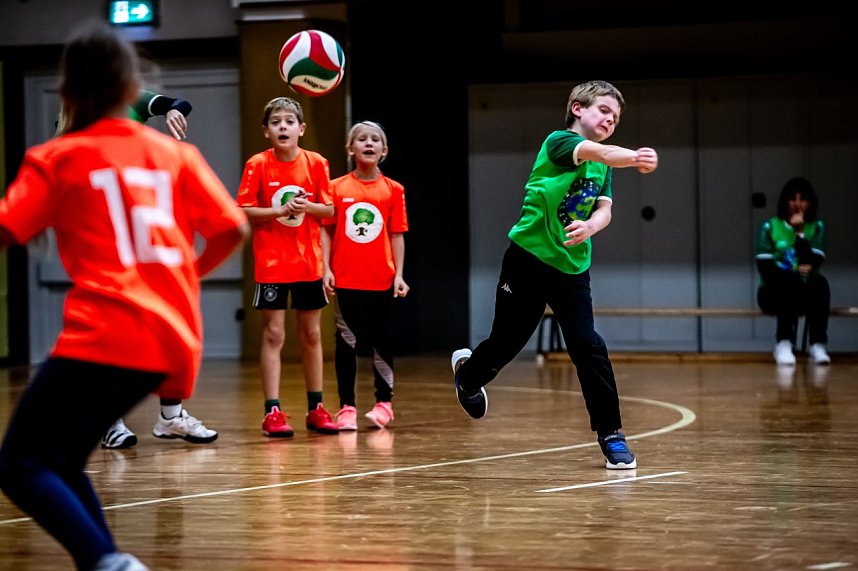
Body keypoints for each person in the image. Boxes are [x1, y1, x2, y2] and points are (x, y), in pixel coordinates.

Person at [0, 20, 248, 571]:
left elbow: (7, 228)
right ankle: (104, 561)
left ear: (67, 92)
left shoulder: (58, 156)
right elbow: (232, 227)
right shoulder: (174, 155)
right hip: (174, 338)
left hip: (106, 332)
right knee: (60, 460)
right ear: (134, 89)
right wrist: (190, 273)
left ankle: (109, 563)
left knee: (18, 462)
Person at [451, 80, 658, 470]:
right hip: (527, 260)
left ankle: (611, 434)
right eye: (603, 111)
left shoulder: (604, 164)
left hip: (572, 267)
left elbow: (604, 208)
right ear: (578, 109)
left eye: (615, 118)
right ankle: (469, 375)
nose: (610, 120)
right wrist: (633, 157)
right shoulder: (560, 142)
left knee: (587, 344)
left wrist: (592, 227)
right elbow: (597, 150)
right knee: (507, 342)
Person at [96, 90, 217, 450]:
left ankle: (170, 417)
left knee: (168, 331)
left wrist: (174, 113)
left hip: (147, 240)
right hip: (107, 245)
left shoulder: (130, 98)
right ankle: (109, 420)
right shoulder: (75, 119)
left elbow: (177, 103)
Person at [237, 96, 339, 437]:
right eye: (276, 122)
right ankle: (273, 411)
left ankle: (317, 408)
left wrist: (307, 206)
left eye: (289, 121)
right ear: (266, 131)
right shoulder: (257, 164)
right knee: (274, 334)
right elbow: (244, 210)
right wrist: (278, 212)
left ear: (301, 129)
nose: (283, 126)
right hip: (272, 263)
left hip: (308, 262)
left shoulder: (316, 163)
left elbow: (329, 211)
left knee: (311, 334)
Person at [321, 121, 409, 430]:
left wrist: (399, 275)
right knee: (346, 342)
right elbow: (326, 231)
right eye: (361, 139)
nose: (368, 143)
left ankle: (384, 404)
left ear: (384, 151)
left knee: (381, 340)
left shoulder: (393, 190)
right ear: (351, 149)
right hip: (346, 278)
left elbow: (397, 234)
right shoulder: (335, 188)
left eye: (375, 140)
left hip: (380, 279)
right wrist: (326, 268)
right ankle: (346, 407)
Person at [755, 177, 831, 366]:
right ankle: (783, 343)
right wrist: (797, 274)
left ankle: (817, 344)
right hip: (773, 292)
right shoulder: (770, 227)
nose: (797, 205)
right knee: (787, 282)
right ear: (784, 201)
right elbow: (766, 269)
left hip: (805, 291)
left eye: (803, 199)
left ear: (810, 202)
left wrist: (800, 234)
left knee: (821, 284)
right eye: (792, 199)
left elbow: (814, 261)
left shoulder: (817, 228)